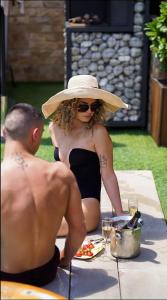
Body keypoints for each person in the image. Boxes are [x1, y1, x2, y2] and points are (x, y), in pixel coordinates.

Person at [1, 103, 86, 287]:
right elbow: (79, 230)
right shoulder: (61, 174)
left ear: (3, 132)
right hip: (46, 272)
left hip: (7, 279)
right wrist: (63, 260)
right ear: (36, 134)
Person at [42, 74, 128, 234]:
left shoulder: (97, 133)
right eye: (83, 106)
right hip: (59, 194)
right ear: (69, 105)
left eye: (94, 106)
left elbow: (107, 174)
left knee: (46, 227)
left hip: (86, 199)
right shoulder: (54, 128)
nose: (90, 111)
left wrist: (119, 212)